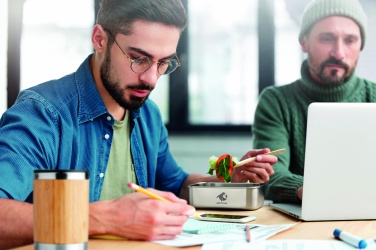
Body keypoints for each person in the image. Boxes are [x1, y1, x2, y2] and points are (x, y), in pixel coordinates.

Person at [0, 0, 278, 249]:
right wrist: (110, 219)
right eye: (139, 58)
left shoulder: (147, 114)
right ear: (99, 39)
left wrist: (226, 178)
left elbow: (175, 185)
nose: (151, 79)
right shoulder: (43, 113)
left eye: (163, 63)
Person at [252, 0, 376, 204]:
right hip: (299, 220)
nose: (339, 53)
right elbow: (270, 174)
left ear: (361, 45)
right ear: (304, 42)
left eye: (350, 40)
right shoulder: (276, 102)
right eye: (327, 39)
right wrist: (316, 191)